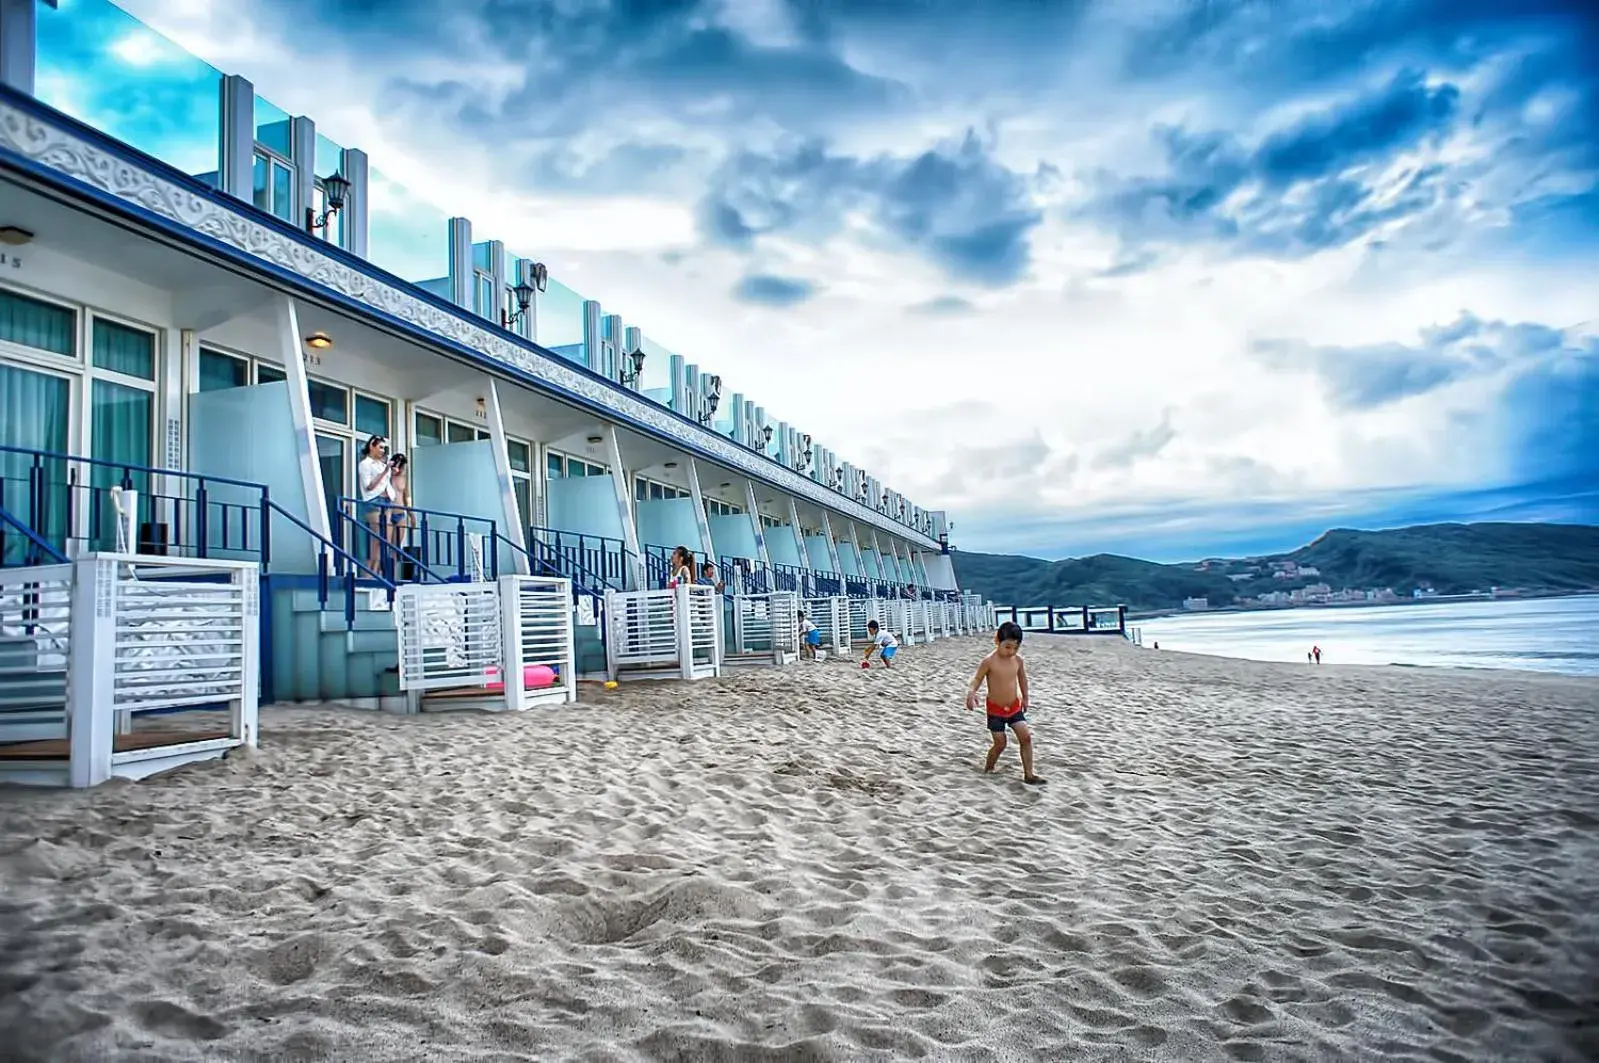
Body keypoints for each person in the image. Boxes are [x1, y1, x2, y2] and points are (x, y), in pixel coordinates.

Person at [965, 621, 1045, 785]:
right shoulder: (989, 661)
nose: (1011, 651)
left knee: (1026, 737)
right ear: (997, 641)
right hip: (995, 711)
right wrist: (971, 692)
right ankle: (989, 767)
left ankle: (1029, 774)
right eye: (1008, 647)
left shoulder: (1018, 661)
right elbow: (977, 679)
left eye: (1016, 648)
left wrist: (1026, 697)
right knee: (1000, 743)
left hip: (1014, 707)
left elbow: (1022, 679)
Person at [356, 435, 394, 572]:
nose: (383, 451)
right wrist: (385, 472)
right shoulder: (365, 464)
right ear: (372, 446)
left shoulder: (381, 464)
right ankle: (369, 571)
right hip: (374, 501)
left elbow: (386, 483)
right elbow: (369, 486)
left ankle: (377, 569)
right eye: (380, 447)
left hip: (387, 501)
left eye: (384, 448)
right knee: (377, 538)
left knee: (385, 539)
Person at [386, 452, 413, 555]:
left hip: (400, 513)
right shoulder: (387, 476)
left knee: (396, 547)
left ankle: (392, 570)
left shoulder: (404, 478)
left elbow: (407, 497)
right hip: (388, 512)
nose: (402, 470)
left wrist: (411, 514)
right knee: (385, 544)